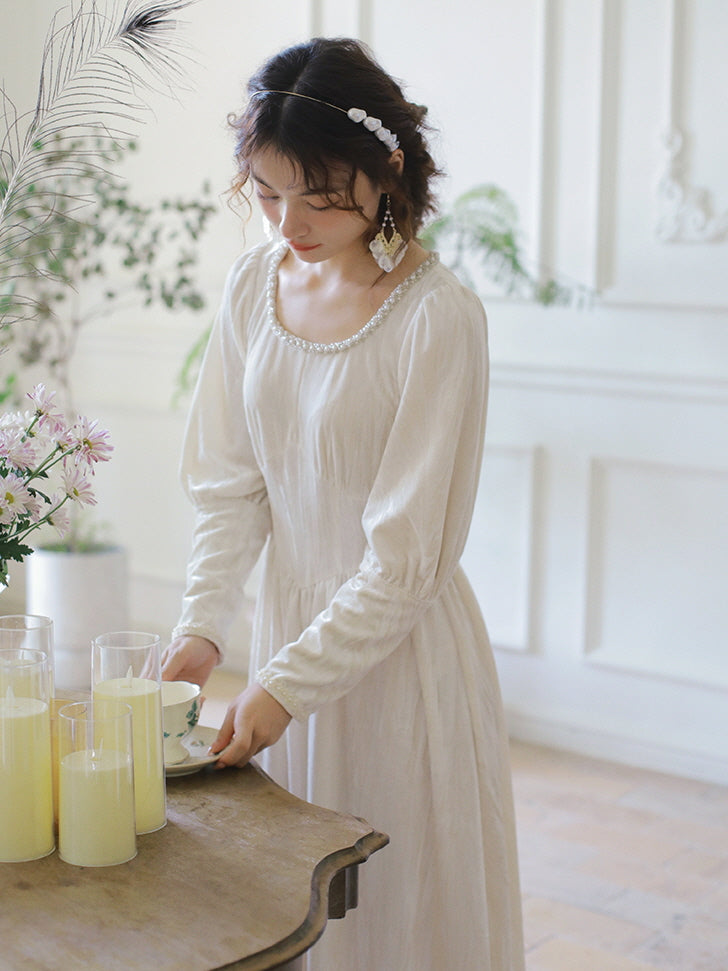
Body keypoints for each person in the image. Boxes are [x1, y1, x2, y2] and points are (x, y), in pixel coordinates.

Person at [162, 36, 525, 970]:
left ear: (383, 167)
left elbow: (404, 565)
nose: (288, 221)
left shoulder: (439, 318)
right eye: (269, 190)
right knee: (288, 917)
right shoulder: (255, 286)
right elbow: (232, 483)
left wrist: (285, 685)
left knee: (400, 916)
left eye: (315, 192)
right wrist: (204, 626)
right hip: (287, 640)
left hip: (398, 663)